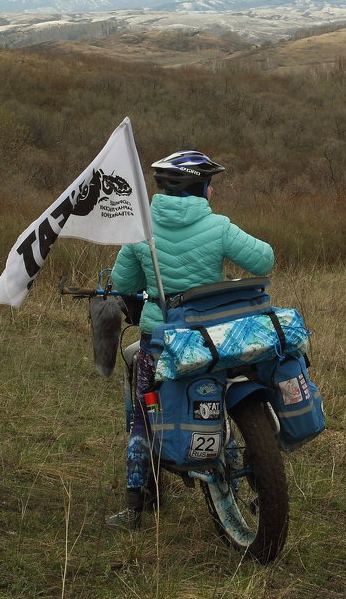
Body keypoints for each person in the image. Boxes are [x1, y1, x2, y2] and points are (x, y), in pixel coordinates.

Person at [105, 150, 275, 530]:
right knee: (218, 385)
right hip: (209, 336)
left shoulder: (141, 231)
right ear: (200, 189)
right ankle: (229, 456)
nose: (212, 189)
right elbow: (264, 260)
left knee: (142, 419)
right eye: (209, 183)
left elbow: (124, 285)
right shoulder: (218, 227)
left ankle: (136, 504)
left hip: (160, 340)